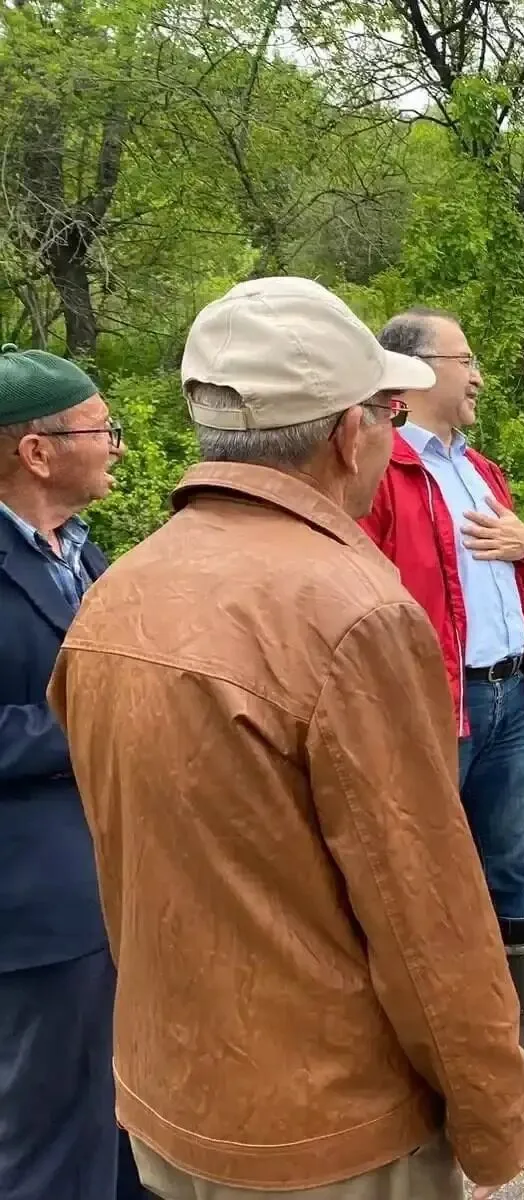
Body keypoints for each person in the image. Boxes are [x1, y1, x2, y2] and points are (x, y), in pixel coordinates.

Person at [47, 277, 524, 1199]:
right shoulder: (354, 612)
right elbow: (425, 916)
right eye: (388, 412)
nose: (391, 435)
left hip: (168, 1106)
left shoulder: (117, 592)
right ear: (350, 434)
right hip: (329, 1132)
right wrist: (495, 1122)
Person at [363, 308, 524, 1090]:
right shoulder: (379, 471)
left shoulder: (480, 470)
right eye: (467, 360)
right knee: (422, 877)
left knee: (510, 867)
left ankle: (522, 1027)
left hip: (506, 697)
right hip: (430, 709)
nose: (479, 375)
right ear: (417, 372)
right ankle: (436, 1045)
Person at [0, 345, 146, 1200]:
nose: (116, 444)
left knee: (123, 1113)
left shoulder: (82, 551)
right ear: (37, 451)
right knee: (50, 1139)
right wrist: (91, 719)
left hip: (109, 885)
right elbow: (87, 702)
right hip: (35, 910)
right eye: (101, 429)